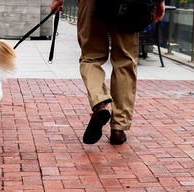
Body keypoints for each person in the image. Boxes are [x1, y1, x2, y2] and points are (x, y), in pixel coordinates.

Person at [51, 0, 165, 145]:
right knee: (125, 62)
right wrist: (160, 2)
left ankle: (99, 102)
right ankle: (118, 128)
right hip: (130, 3)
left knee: (91, 57)